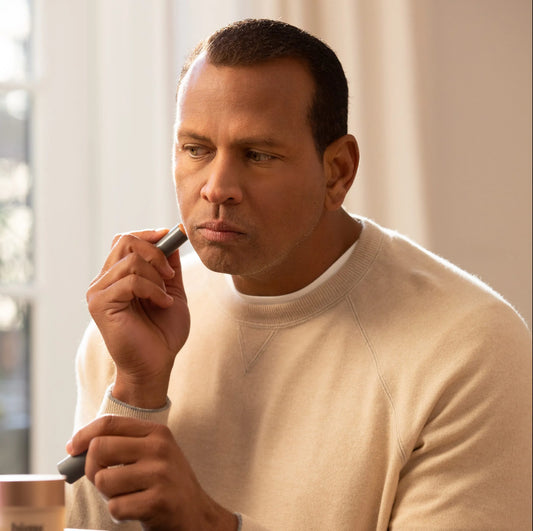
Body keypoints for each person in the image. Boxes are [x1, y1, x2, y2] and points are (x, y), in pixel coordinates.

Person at [65, 18, 531, 530]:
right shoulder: (134, 321)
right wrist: (136, 388)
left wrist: (208, 523)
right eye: (196, 149)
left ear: (338, 172)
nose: (216, 187)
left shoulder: (472, 347)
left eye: (258, 154)